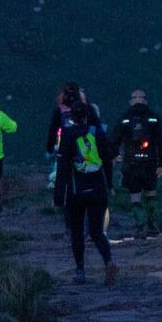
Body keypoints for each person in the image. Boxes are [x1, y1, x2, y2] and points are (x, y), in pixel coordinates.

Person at [54, 99, 118, 286]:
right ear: (88, 115)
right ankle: (108, 262)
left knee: (77, 233)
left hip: (76, 192)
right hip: (98, 189)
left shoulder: (67, 134)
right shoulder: (97, 132)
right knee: (97, 232)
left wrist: (59, 197)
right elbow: (107, 160)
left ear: (72, 116)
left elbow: (62, 168)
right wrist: (110, 185)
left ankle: (80, 270)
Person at [108, 87, 162, 238]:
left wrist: (115, 155)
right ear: (131, 100)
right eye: (136, 97)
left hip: (137, 163)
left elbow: (114, 140)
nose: (138, 99)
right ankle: (149, 225)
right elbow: (161, 143)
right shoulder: (152, 118)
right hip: (144, 162)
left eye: (140, 97)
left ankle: (143, 226)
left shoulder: (126, 118)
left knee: (138, 194)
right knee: (148, 193)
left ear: (145, 100)